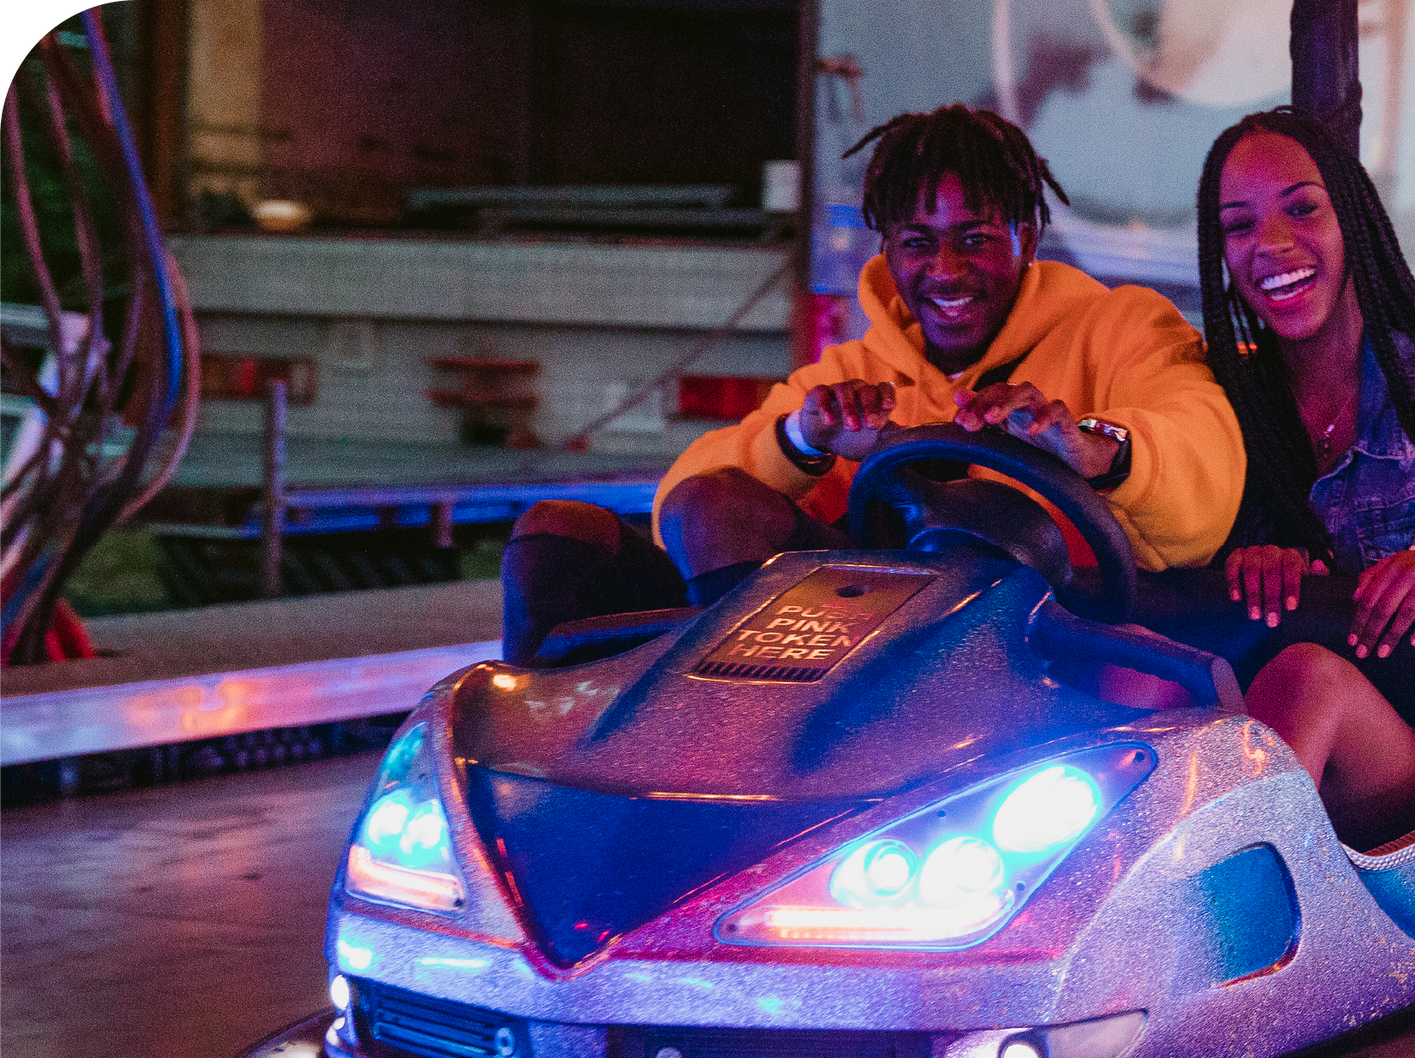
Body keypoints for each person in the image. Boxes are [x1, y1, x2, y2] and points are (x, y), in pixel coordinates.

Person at [499, 104, 1245, 664]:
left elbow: (1207, 464)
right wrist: (805, 440)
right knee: (561, 532)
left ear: (1028, 235)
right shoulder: (859, 372)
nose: (946, 271)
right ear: (890, 251)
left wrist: (1095, 448)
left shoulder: (1117, 328)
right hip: (864, 674)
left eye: (976, 239)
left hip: (1044, 661)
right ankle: (550, 771)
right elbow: (684, 505)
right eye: (919, 244)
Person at [1186, 106, 1415, 849]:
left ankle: (1206, 911)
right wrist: (1246, 569)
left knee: (1309, 677)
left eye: (1301, 209)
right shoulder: (1222, 412)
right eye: (1238, 227)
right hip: (1259, 753)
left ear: (1352, 219)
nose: (1270, 244)